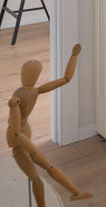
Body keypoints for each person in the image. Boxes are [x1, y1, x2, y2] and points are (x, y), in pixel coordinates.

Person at [6, 44, 92, 205]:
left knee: (47, 167)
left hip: (22, 133)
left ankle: (75, 193)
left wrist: (74, 56)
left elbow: (66, 79)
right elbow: (66, 79)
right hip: (19, 138)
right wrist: (74, 56)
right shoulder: (29, 93)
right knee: (41, 173)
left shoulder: (29, 92)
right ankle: (72, 193)